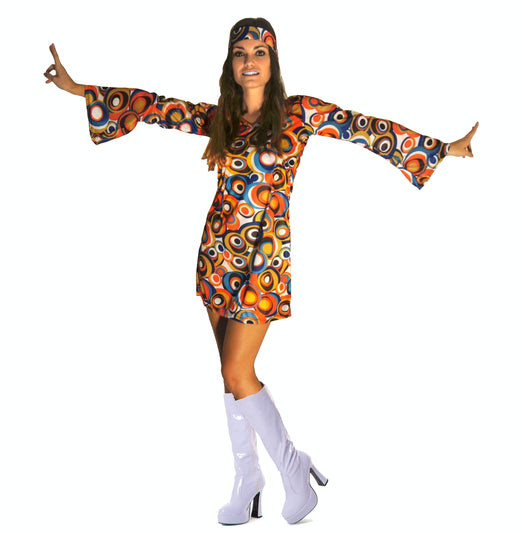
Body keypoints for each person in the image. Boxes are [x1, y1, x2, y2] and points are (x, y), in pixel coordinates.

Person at [44, 17, 478, 526]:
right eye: (240, 53)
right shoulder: (222, 119)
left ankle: (294, 470)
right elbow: (155, 106)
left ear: (273, 61)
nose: (249, 61)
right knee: (229, 376)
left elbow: (364, 128)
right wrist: (80, 90)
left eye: (259, 52)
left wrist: (440, 148)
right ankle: (247, 480)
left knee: (238, 371)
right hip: (217, 255)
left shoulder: (299, 113)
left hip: (263, 263)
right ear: (230, 64)